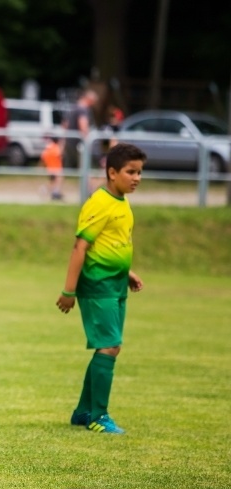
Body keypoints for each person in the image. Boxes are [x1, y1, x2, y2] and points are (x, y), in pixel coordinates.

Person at [56, 142, 147, 435]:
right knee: (109, 346)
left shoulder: (121, 202)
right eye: (130, 172)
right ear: (112, 172)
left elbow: (111, 244)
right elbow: (80, 247)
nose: (136, 178)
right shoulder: (99, 203)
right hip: (98, 285)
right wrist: (69, 292)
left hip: (115, 283)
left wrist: (126, 272)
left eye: (139, 172)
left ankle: (84, 411)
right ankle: (98, 416)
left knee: (108, 346)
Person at [62, 89, 98, 170]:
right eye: (93, 102)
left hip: (70, 141)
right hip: (78, 143)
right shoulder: (83, 109)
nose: (93, 104)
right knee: (83, 166)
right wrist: (87, 140)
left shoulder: (74, 107)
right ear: (89, 100)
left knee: (69, 168)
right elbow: (83, 125)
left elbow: (65, 124)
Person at [39, 134, 64, 200]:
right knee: (58, 180)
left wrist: (42, 166)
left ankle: (46, 190)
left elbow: (43, 156)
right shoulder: (56, 147)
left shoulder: (48, 147)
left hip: (49, 168)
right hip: (56, 168)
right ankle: (55, 193)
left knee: (52, 182)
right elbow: (59, 154)